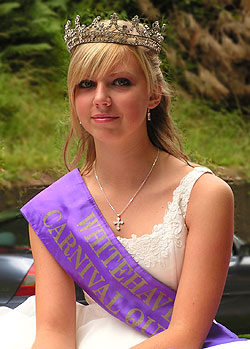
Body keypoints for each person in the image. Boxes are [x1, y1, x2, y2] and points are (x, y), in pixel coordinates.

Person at [0, 13, 249, 349]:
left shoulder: (204, 195)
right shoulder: (53, 208)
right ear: (74, 100)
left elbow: (186, 334)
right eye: (86, 85)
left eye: (120, 82)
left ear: (153, 95)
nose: (101, 98)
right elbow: (54, 333)